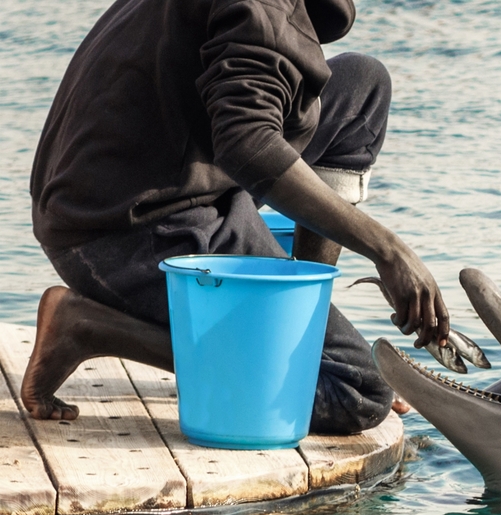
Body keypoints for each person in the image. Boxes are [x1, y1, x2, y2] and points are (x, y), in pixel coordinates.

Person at [23, 0, 450, 434]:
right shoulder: (260, 6)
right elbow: (247, 144)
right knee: (357, 390)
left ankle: (298, 326)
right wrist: (389, 251)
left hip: (148, 181)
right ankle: (90, 328)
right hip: (125, 227)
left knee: (363, 83)